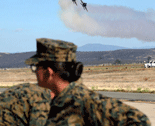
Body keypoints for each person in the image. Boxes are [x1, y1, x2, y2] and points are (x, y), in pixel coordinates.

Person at [0, 38, 151, 126]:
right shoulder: (59, 103)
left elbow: (139, 121)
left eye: (35, 68)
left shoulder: (84, 102)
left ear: (48, 72)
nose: (34, 73)